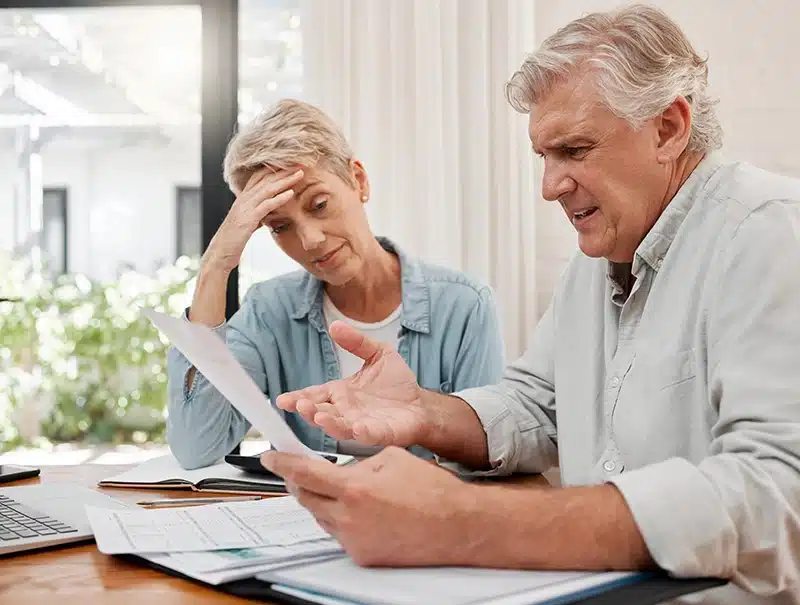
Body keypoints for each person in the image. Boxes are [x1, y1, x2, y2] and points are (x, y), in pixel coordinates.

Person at [259, 5, 800, 604]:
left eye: (575, 149)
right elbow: (538, 406)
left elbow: (779, 494)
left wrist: (465, 522)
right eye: (545, 156)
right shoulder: (599, 257)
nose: (550, 186)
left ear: (668, 129)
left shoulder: (771, 235)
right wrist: (424, 412)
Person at [166, 99, 505, 470]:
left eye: (319, 205)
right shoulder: (269, 310)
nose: (310, 240)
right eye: (280, 226)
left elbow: (482, 458)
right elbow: (196, 446)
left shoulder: (464, 306)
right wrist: (215, 266)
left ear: (358, 181)